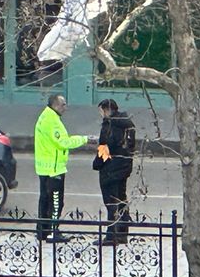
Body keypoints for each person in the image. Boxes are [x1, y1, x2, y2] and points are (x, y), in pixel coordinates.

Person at [34, 94, 95, 243]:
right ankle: (53, 231)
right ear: (55, 105)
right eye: (63, 105)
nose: (65, 108)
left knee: (44, 200)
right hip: (54, 169)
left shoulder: (44, 116)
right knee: (56, 202)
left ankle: (42, 230)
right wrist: (85, 139)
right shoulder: (52, 121)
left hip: (44, 167)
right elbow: (64, 142)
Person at [92, 99, 135, 246]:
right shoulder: (127, 124)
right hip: (124, 167)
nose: (101, 115)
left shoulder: (110, 124)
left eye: (102, 111)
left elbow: (106, 147)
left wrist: (97, 163)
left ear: (107, 110)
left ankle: (111, 236)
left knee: (111, 202)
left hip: (110, 168)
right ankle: (122, 233)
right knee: (122, 199)